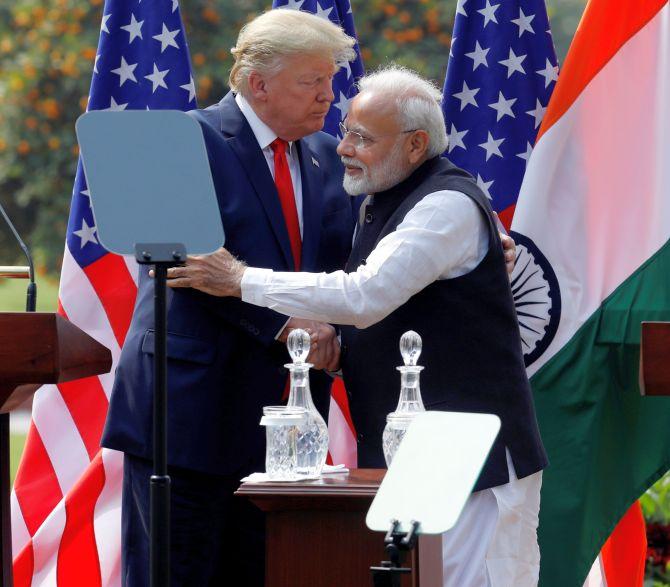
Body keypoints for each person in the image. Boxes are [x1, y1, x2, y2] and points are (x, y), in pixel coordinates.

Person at [167, 65, 548, 586]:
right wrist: (342, 346)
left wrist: (239, 280)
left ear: (415, 146)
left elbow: (365, 295)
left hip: (470, 465)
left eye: (362, 137)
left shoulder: (445, 207)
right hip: (416, 460)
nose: (341, 147)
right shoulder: (379, 201)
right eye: (345, 129)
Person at [100, 10, 357, 586]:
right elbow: (185, 265)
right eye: (311, 81)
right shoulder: (184, 140)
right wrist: (289, 324)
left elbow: (352, 261)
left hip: (285, 431)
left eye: (329, 80)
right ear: (258, 82)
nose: (327, 95)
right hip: (189, 420)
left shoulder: (323, 155)